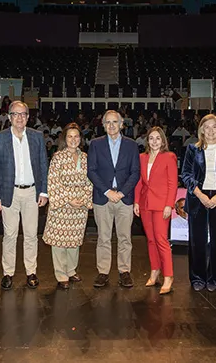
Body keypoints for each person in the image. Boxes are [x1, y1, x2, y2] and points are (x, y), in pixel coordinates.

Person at [0, 101, 49, 290]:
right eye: (15, 114)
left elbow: (43, 164)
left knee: (31, 234)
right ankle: (8, 273)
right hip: (9, 193)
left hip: (32, 192)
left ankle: (31, 272)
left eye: (23, 114)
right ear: (9, 117)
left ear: (28, 117)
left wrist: (44, 191)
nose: (19, 117)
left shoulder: (37, 136)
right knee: (10, 235)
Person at [179, 114, 216, 292]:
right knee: (196, 241)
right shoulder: (192, 149)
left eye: (214, 127)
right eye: (207, 127)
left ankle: (215, 278)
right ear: (201, 130)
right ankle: (197, 277)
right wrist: (201, 195)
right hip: (197, 198)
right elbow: (186, 175)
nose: (211, 130)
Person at [88, 109, 141, 288]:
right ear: (103, 126)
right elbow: (91, 171)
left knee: (125, 237)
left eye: (115, 122)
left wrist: (122, 193)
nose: (111, 125)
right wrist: (107, 192)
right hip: (103, 198)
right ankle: (103, 272)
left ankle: (124, 271)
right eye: (108, 122)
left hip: (124, 198)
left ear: (121, 124)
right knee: (103, 237)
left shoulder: (131, 145)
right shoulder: (95, 144)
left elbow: (135, 172)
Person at [43, 123, 93, 290]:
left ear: (80, 138)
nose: (73, 139)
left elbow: (90, 181)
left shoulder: (85, 157)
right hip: (62, 206)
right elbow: (53, 181)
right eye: (70, 136)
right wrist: (68, 199)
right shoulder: (58, 157)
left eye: (76, 136)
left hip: (80, 206)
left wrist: (83, 199)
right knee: (59, 241)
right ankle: (61, 274)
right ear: (64, 138)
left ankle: (71, 270)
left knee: (74, 241)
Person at [134, 126, 178, 295]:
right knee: (151, 240)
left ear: (163, 141)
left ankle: (168, 276)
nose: (154, 141)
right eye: (151, 138)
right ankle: (155, 271)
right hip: (145, 203)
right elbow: (139, 182)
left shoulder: (169, 157)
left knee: (161, 240)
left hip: (161, 205)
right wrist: (136, 202)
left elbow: (172, 183)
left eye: (158, 138)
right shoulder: (142, 157)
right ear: (147, 141)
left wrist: (169, 205)